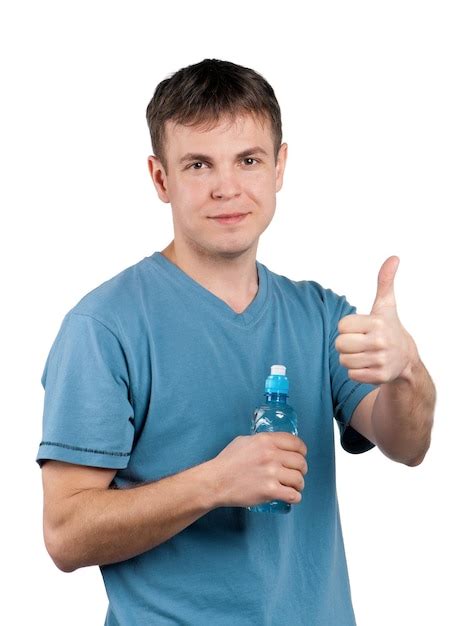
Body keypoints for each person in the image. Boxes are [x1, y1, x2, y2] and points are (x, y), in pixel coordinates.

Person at [36, 58, 436, 625]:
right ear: (160, 178)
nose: (228, 188)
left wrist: (407, 372)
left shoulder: (321, 315)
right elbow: (65, 534)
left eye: (248, 160)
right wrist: (213, 483)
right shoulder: (103, 328)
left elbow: (408, 444)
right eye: (199, 164)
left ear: (279, 167)